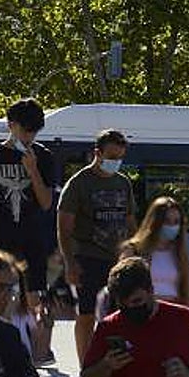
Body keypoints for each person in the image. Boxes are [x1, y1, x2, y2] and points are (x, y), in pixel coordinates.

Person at [0, 98, 60, 364]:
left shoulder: (43, 157)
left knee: (36, 299)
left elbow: (46, 203)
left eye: (35, 131)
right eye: (25, 130)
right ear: (11, 126)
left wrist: (32, 171)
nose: (30, 136)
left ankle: (38, 352)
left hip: (32, 240)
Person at [57, 129, 137, 365]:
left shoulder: (123, 183)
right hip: (87, 259)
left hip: (119, 262)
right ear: (97, 153)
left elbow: (131, 221)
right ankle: (87, 366)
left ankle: (117, 362)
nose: (116, 162)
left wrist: (137, 253)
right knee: (86, 314)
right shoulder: (78, 184)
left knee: (121, 316)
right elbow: (63, 229)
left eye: (120, 157)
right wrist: (70, 264)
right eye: (111, 156)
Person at [119, 196, 189, 307]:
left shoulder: (179, 253)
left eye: (176, 222)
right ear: (154, 222)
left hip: (173, 310)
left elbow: (185, 292)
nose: (172, 226)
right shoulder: (134, 250)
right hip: (144, 311)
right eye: (167, 221)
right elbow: (122, 286)